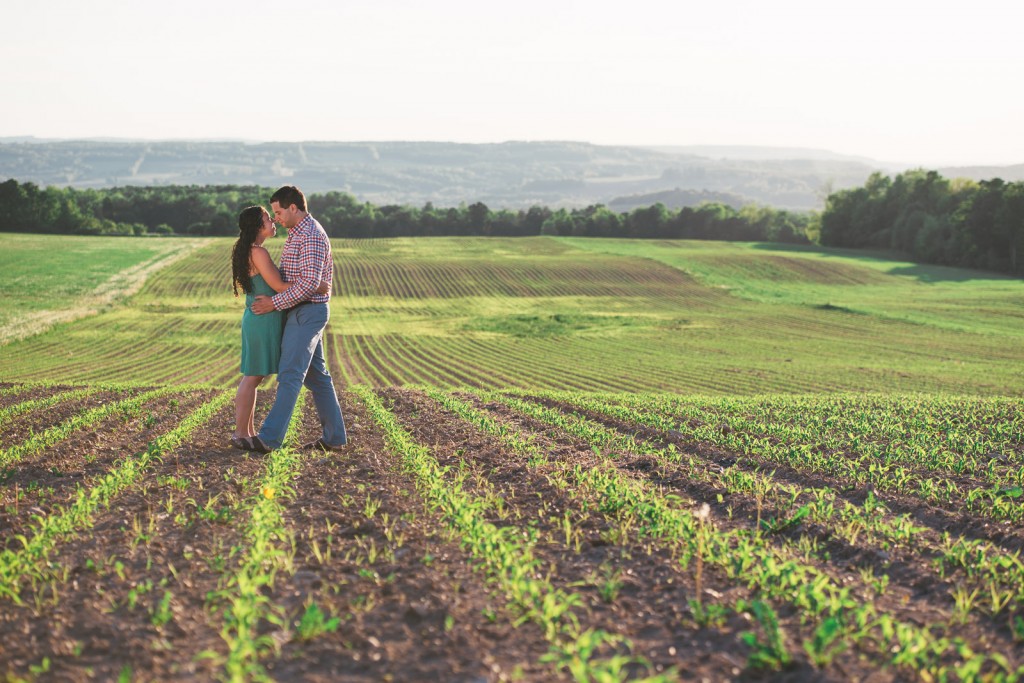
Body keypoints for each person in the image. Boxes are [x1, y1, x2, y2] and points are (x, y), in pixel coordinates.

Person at [247, 185, 347, 453]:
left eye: (278, 212)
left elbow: (309, 283)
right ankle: (334, 438)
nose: (276, 217)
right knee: (318, 378)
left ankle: (269, 439)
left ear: (294, 208)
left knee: (290, 374)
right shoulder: (297, 233)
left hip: (307, 311)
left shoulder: (311, 235)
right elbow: (301, 279)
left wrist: (273, 303)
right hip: (303, 309)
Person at [229, 205, 330, 450]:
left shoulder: (253, 251)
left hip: (262, 316)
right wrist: (315, 286)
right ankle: (241, 433)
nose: (273, 220)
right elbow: (278, 285)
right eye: (267, 218)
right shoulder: (258, 253)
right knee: (252, 377)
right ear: (257, 226)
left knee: (255, 377)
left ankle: (248, 432)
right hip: (262, 317)